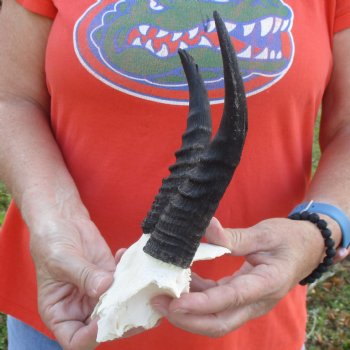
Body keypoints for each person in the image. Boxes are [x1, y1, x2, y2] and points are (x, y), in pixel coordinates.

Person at [0, 0, 350, 349]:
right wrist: (53, 214)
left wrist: (321, 227)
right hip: (69, 300)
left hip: (251, 324)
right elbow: (11, 99)